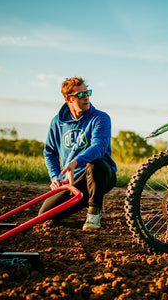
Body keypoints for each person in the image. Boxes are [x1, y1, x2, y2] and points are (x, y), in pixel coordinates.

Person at [39, 76, 117, 231]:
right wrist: (55, 177)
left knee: (96, 163)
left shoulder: (100, 118)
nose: (86, 97)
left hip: (101, 176)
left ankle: (94, 213)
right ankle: (81, 214)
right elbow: (50, 152)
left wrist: (75, 162)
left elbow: (99, 146)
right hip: (72, 180)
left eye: (87, 92)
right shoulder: (57, 122)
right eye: (80, 95)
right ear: (69, 99)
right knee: (44, 217)